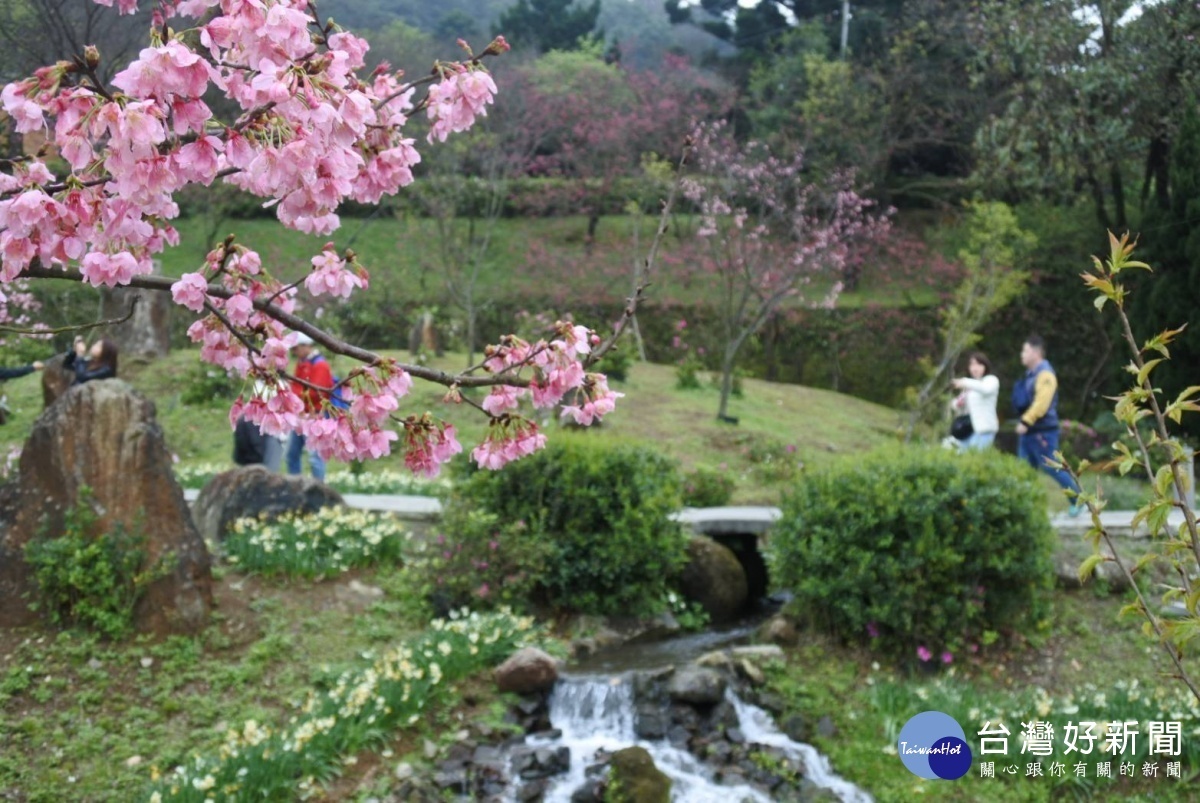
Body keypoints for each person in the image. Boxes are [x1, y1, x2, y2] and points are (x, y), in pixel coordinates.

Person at [1012, 335, 1082, 516]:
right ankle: (1025, 508)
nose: (1022, 354)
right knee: (1023, 470)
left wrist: (1026, 421)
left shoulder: (1045, 374)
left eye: (1025, 350)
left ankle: (1078, 500)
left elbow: (1042, 403)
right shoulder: (1031, 374)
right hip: (1029, 432)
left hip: (1041, 432)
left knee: (1053, 467)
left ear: (1036, 352)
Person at [286, 333, 333, 481]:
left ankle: (318, 492)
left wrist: (291, 393)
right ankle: (296, 488)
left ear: (306, 346)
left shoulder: (320, 364)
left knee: (315, 457)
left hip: (315, 414)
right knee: (291, 454)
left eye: (296, 348)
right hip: (301, 414)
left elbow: (315, 392)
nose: (294, 352)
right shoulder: (302, 362)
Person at [950, 351, 1000, 451]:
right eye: (972, 365)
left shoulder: (991, 380)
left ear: (985, 366)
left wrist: (965, 382)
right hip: (969, 430)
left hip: (984, 430)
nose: (974, 368)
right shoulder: (970, 386)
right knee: (963, 459)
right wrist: (958, 403)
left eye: (978, 364)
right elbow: (955, 404)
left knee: (975, 459)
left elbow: (985, 389)